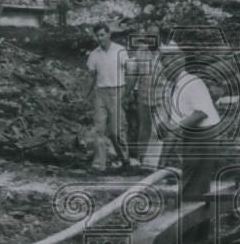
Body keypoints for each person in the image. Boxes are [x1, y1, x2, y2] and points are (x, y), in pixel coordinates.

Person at [161, 51, 223, 201]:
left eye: (168, 66)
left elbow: (201, 113)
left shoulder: (191, 83)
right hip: (193, 136)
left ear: (179, 65)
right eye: (163, 67)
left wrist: (176, 129)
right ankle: (196, 220)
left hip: (203, 135)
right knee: (193, 184)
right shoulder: (176, 86)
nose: (164, 71)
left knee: (195, 186)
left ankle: (191, 219)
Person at [86, 22, 134, 171]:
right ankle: (99, 165)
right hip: (100, 92)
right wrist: (86, 95)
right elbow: (92, 77)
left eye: (102, 34)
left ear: (109, 34)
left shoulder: (120, 51)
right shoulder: (94, 54)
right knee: (99, 129)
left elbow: (131, 71)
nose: (100, 38)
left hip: (116, 92)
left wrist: (127, 93)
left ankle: (125, 161)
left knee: (116, 130)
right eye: (98, 35)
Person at [124, 24, 162, 166]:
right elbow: (133, 75)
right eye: (148, 36)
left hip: (162, 98)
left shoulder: (167, 52)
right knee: (144, 129)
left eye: (154, 36)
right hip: (144, 96)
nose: (151, 39)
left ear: (160, 36)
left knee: (158, 130)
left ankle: (153, 163)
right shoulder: (140, 52)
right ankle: (141, 159)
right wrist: (126, 94)